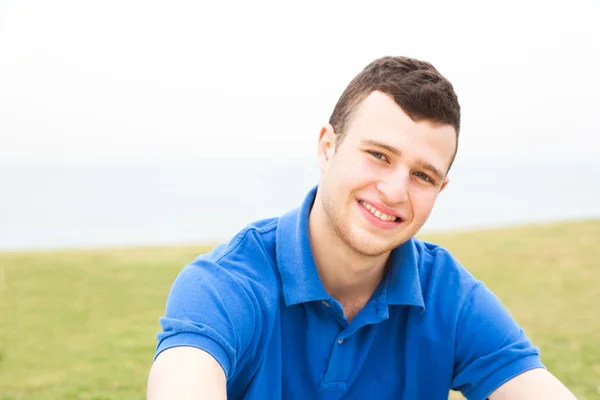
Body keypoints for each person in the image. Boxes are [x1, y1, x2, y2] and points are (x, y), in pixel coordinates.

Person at [147, 56, 576, 399]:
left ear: (441, 188)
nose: (394, 191)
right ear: (327, 147)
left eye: (422, 176)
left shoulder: (449, 296)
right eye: (379, 155)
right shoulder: (224, 286)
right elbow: (183, 379)